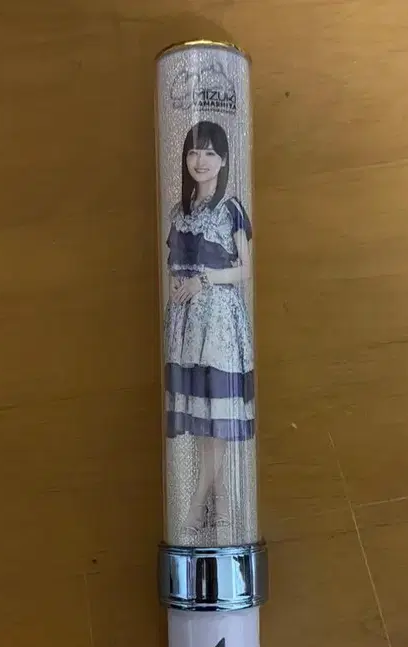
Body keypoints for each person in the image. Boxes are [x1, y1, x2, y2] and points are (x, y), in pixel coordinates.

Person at [163, 120, 254, 544]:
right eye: (194, 152)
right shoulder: (178, 212)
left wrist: (203, 280)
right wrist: (178, 289)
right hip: (185, 323)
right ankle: (222, 504)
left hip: (218, 320)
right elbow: (172, 265)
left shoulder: (230, 208)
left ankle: (199, 503)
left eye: (210, 153)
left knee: (218, 411)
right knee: (203, 418)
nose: (201, 161)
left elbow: (245, 270)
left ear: (224, 160)